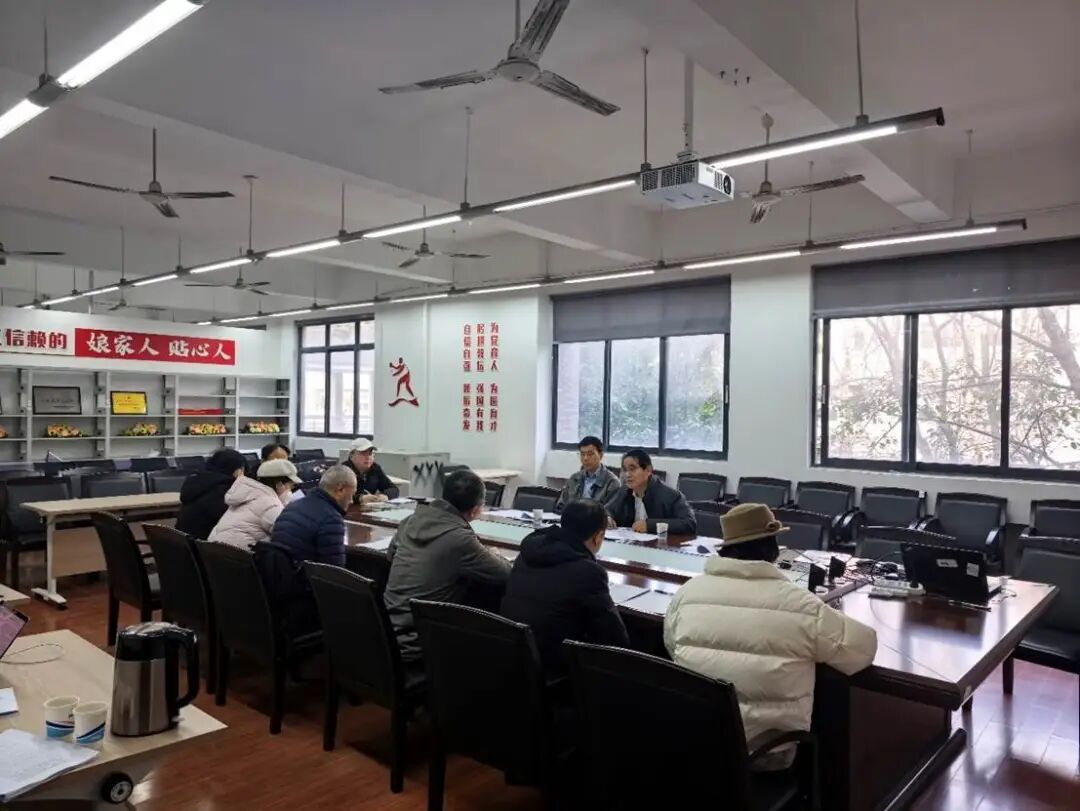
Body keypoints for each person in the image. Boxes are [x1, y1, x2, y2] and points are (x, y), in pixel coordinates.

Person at [664, 503, 877, 769]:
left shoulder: (687, 593)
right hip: (763, 756)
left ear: (726, 549)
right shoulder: (800, 605)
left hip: (696, 744)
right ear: (773, 550)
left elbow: (672, 644)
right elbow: (862, 650)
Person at [383, 469, 511, 662]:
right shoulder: (460, 539)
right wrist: (495, 555)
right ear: (476, 510)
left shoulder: (410, 521)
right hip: (419, 644)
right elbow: (505, 574)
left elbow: (390, 556)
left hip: (386, 635)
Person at [500, 499, 629, 674]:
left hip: (511, 659)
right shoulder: (588, 572)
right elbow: (615, 640)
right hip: (552, 670)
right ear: (598, 537)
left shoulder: (527, 554)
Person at [269, 465, 356, 566]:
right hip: (302, 574)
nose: (351, 501)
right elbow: (334, 569)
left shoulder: (292, 506)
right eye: (352, 494)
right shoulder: (331, 518)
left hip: (278, 571)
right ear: (340, 489)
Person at [209, 459, 302, 549]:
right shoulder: (269, 503)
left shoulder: (248, 495)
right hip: (238, 556)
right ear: (279, 485)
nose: (290, 491)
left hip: (213, 551)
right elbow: (289, 535)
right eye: (290, 486)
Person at [606, 449, 696, 535]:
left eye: (632, 469)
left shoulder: (670, 495)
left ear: (648, 470)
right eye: (625, 470)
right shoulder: (624, 491)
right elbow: (607, 510)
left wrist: (650, 525)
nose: (627, 474)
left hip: (660, 544)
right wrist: (607, 517)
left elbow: (689, 523)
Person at [176, 448, 246, 540]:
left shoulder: (196, 484)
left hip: (185, 543)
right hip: (208, 545)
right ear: (237, 471)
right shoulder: (227, 493)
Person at [554, 435, 621, 512]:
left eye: (590, 454)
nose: (585, 458)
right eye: (582, 454)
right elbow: (561, 505)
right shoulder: (574, 478)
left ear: (600, 455)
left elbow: (609, 512)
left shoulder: (612, 483)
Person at [342, 438, 399, 505]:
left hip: (367, 508)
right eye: (363, 454)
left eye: (370, 454)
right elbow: (338, 494)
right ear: (351, 455)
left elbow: (393, 488)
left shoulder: (375, 468)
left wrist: (385, 496)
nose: (368, 457)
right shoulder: (343, 470)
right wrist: (360, 498)